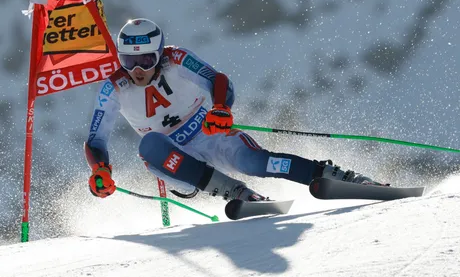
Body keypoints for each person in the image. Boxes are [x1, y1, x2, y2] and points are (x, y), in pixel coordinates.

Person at [84, 18, 382, 201]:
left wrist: (221, 108)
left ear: (159, 53)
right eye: (129, 61)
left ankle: (337, 176)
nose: (137, 70)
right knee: (149, 145)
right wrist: (100, 169)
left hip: (209, 133)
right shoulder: (114, 87)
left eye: (146, 61)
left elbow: (217, 79)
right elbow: (96, 141)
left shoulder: (176, 59)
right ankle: (236, 192)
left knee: (256, 163)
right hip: (173, 160)